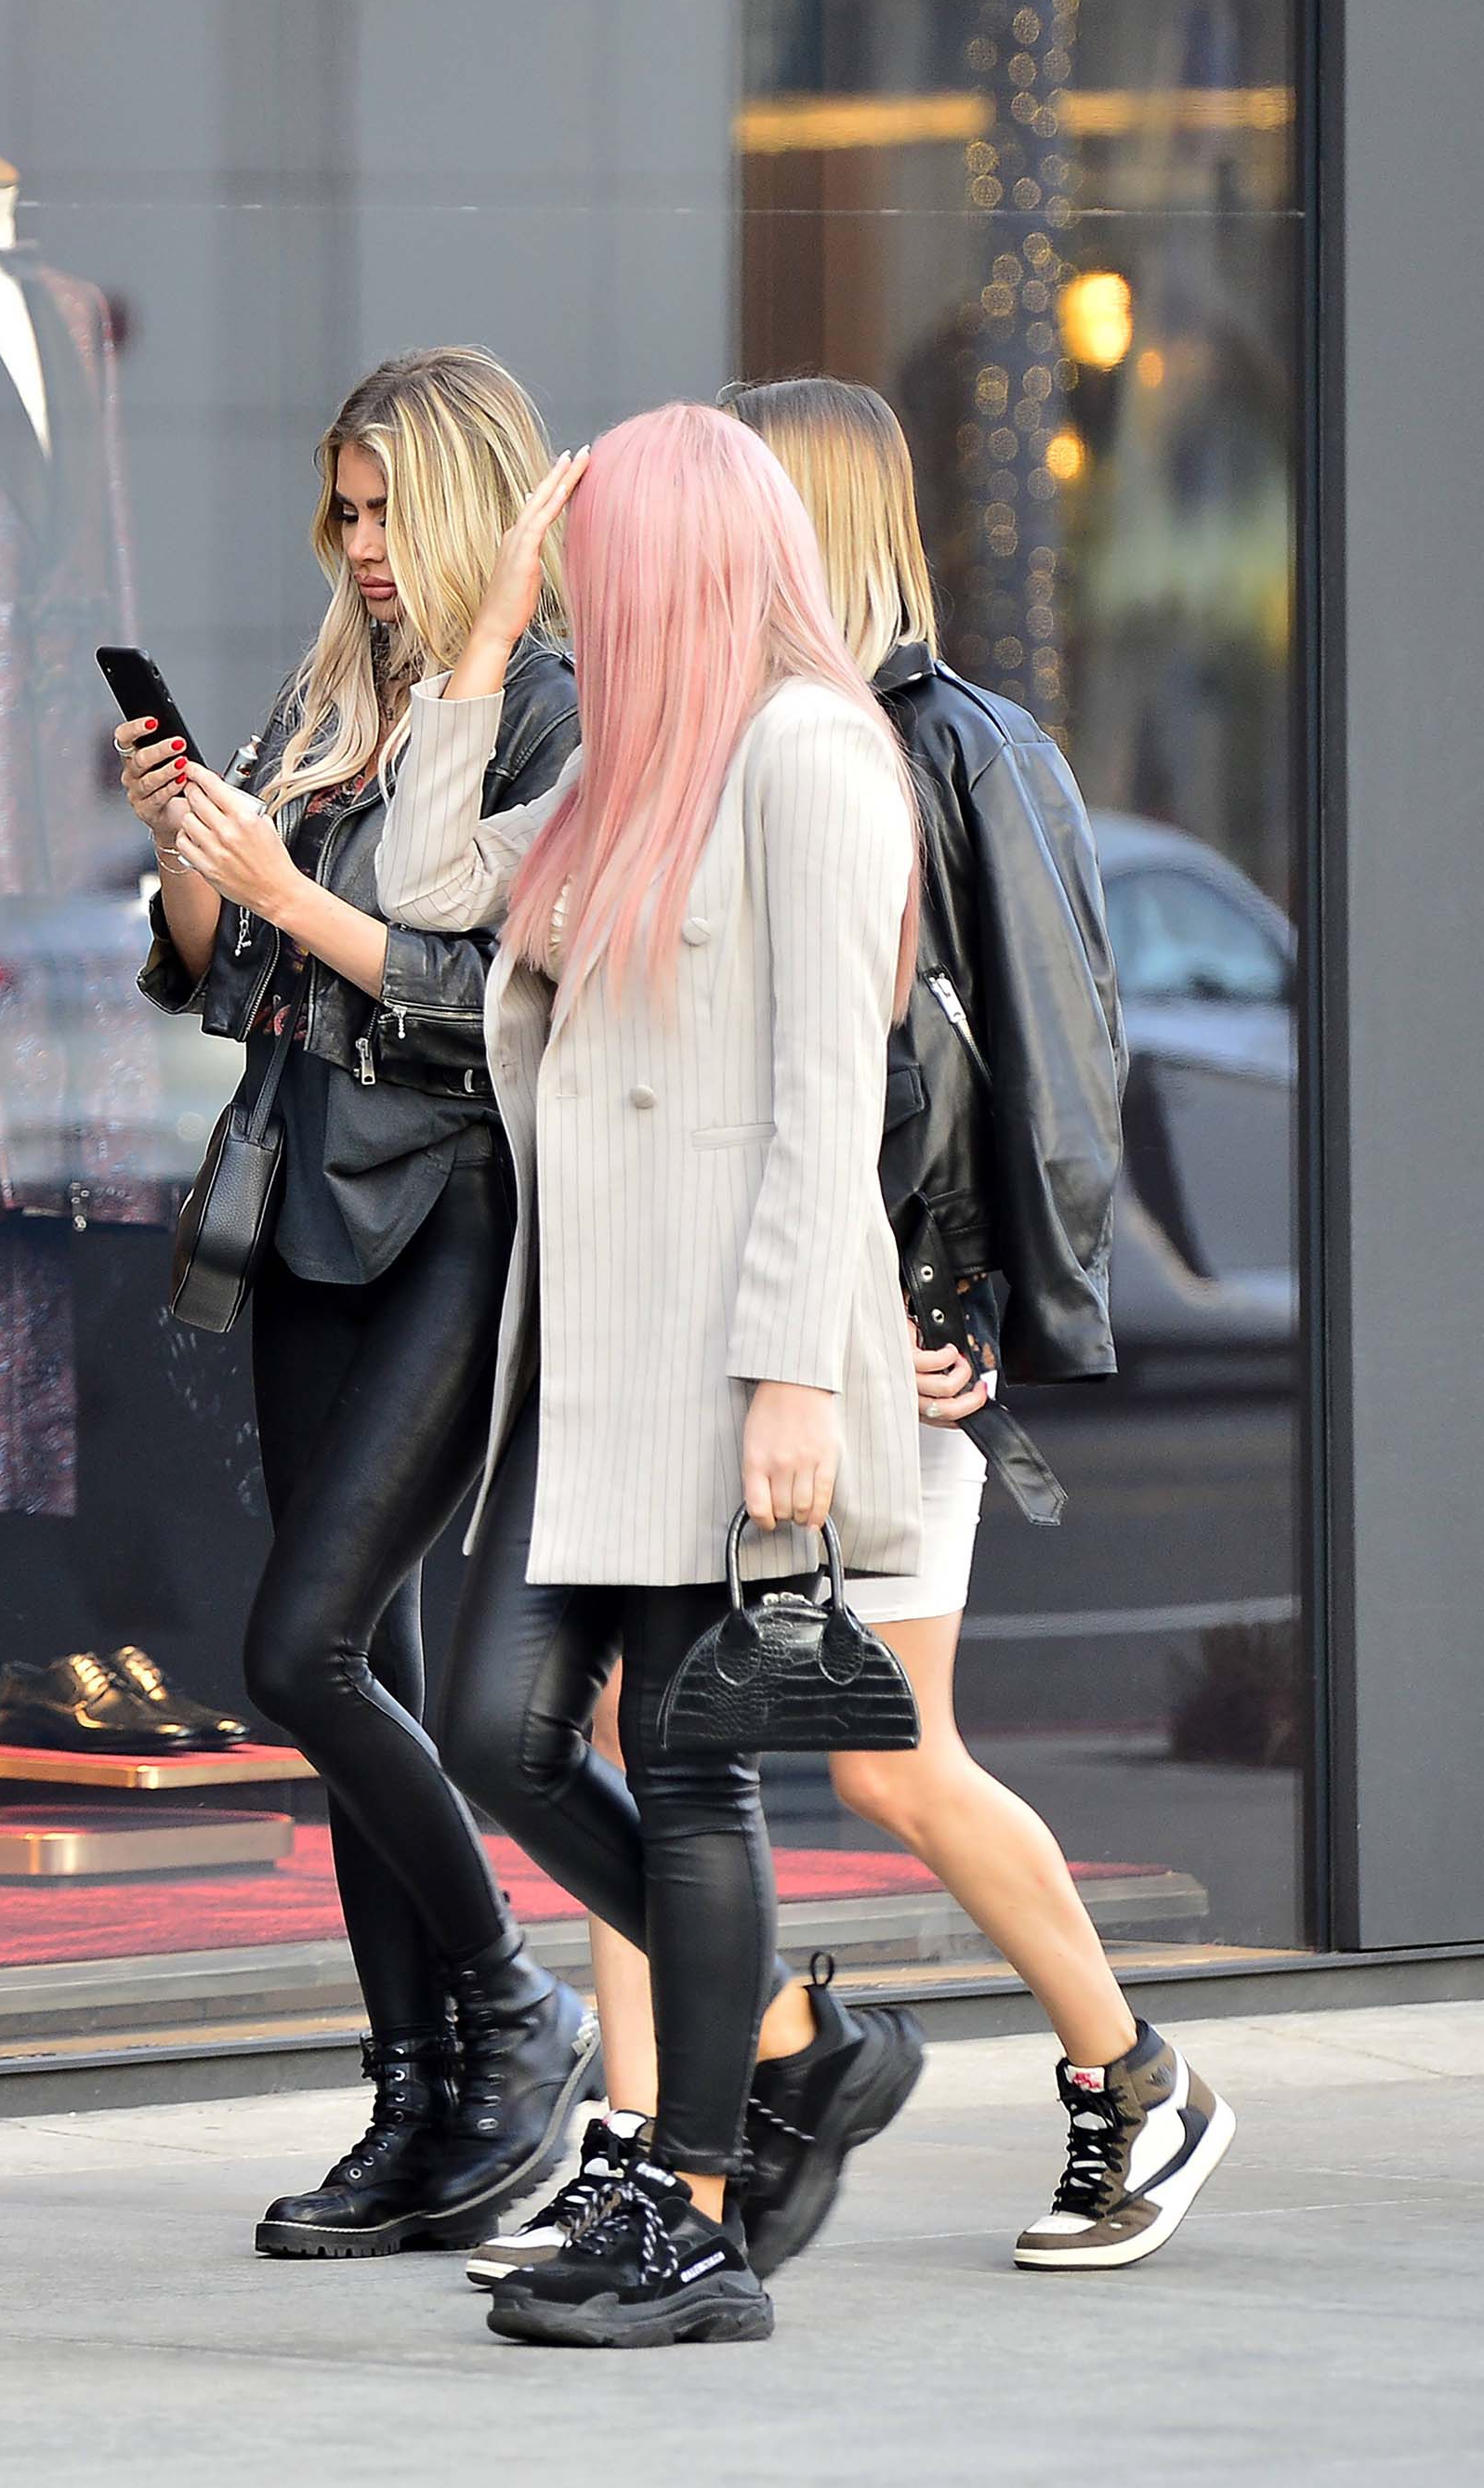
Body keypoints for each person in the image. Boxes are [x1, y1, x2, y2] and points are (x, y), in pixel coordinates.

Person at [512, 378, 1230, 2278]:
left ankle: (1130, 2076)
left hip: (870, 1338)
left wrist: (982, 1304)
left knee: (885, 1754)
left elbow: (1023, 1059)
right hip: (757, 1330)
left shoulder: (927, 748)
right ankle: (650, 2132)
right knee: (633, 1727)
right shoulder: (706, 741)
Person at [377, 400, 924, 2347]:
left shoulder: (807, 757)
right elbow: (432, 874)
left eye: (595, 565)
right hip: (582, 1363)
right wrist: (491, 618)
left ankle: (689, 2210)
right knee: (499, 1732)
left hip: (721, 1362)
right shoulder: (628, 762)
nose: (581, 600)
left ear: (680, 558)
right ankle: (786, 2037)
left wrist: (793, 1375)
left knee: (696, 1789)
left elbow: (823, 1095)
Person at [125, 350, 598, 2258]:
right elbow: (214, 972)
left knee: (298, 1650)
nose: (366, 545)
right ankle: (417, 2105)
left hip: (464, 1210)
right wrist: (191, 862)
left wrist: (287, 896)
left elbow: (489, 997)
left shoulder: (551, 710)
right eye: (345, 508)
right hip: (307, 1204)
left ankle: (515, 2012)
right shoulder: (334, 691)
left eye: (393, 508)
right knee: (360, 1678)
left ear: (475, 503)